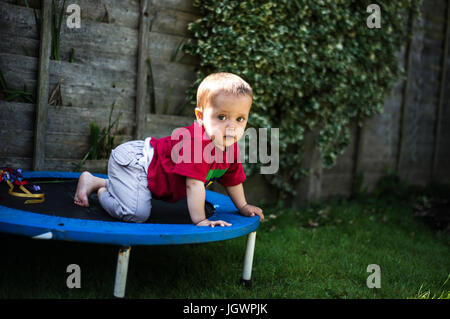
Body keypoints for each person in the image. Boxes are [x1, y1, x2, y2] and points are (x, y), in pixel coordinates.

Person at [74, 72, 264, 227]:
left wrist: (243, 206)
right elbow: (194, 184)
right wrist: (201, 220)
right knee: (135, 214)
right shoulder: (197, 143)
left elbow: (232, 180)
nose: (232, 127)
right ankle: (102, 191)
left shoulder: (229, 145)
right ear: (200, 116)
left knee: (139, 207)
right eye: (222, 117)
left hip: (147, 170)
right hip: (136, 163)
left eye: (240, 119)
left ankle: (97, 181)